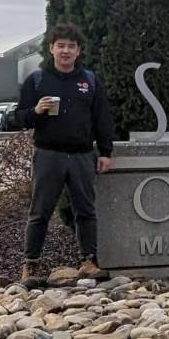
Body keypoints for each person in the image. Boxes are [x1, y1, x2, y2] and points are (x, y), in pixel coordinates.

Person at [16, 21, 113, 282]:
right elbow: (18, 117)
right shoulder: (37, 80)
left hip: (82, 155)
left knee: (85, 211)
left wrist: (105, 152)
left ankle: (89, 262)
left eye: (71, 46)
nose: (66, 51)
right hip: (49, 155)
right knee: (40, 212)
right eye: (61, 46)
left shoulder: (89, 81)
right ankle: (31, 265)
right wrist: (35, 111)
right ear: (51, 49)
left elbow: (102, 119)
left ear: (79, 50)